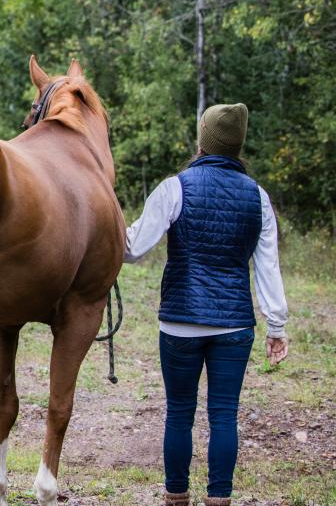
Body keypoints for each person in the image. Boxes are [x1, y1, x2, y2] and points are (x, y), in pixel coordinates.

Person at [124, 103, 289, 506]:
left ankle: (176, 496)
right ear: (238, 144)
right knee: (223, 415)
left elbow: (132, 248)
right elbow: (268, 268)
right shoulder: (259, 197)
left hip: (180, 322)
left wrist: (103, 214)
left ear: (203, 140)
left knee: (179, 413)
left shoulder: (174, 187)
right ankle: (219, 499)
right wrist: (277, 326)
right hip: (234, 326)